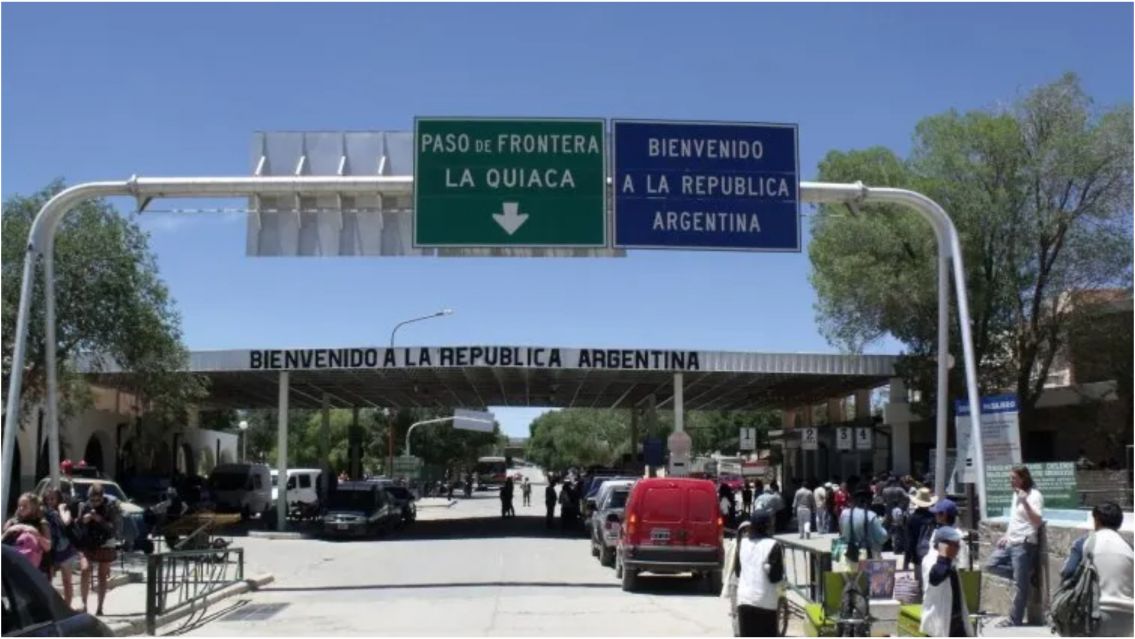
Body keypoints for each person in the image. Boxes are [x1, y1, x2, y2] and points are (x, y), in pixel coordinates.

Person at [1060, 501, 1133, 637]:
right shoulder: (1129, 547)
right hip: (1128, 617)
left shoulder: (1084, 542)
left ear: (1097, 520)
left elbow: (1068, 572)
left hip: (1095, 613)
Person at [984, 465, 1043, 626]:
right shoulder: (1015, 495)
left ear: (1023, 478)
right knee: (990, 565)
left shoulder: (1034, 495)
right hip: (1011, 541)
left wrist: (1025, 502)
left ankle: (1014, 619)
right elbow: (1014, 519)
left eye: (1014, 478)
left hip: (1024, 543)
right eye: (1010, 478)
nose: (1011, 481)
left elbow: (1037, 521)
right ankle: (1025, 575)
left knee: (1020, 585)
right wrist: (1006, 535)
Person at [734, 509, 785, 636]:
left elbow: (738, 571)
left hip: (744, 600)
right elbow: (775, 577)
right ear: (766, 526)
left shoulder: (742, 543)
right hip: (765, 601)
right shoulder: (774, 545)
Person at [921, 525, 973, 637]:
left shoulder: (950, 561)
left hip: (956, 621)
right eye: (955, 545)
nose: (958, 548)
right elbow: (935, 578)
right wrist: (943, 557)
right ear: (944, 545)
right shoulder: (931, 560)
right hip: (940, 621)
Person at [77, 482, 119, 616]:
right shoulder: (85, 506)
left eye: (98, 500)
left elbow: (113, 529)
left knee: (102, 575)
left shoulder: (110, 507)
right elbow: (78, 524)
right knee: (85, 570)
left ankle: (100, 607)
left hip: (105, 542)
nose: (95, 502)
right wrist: (84, 519)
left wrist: (99, 519)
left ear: (102, 497)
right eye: (92, 500)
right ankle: (84, 605)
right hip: (88, 542)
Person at [43, 489, 79, 607]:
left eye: (52, 499)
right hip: (50, 550)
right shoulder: (43, 512)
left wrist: (60, 510)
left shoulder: (63, 508)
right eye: (47, 499)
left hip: (66, 548)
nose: (49, 502)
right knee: (48, 581)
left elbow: (66, 521)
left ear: (58, 499)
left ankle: (68, 607)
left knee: (66, 581)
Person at [2, 492, 52, 570]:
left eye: (25, 506)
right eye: (19, 506)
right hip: (13, 566)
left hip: (36, 568)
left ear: (33, 508)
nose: (21, 508)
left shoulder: (41, 523)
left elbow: (48, 547)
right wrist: (8, 531)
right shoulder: (11, 522)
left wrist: (36, 533)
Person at [838, 489, 888, 563]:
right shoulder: (871, 516)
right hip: (867, 557)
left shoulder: (844, 514)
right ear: (866, 502)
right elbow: (882, 537)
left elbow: (841, 532)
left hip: (847, 555)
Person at [903, 488, 939, 589]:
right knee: (930, 584)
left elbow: (909, 541)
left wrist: (906, 561)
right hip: (932, 554)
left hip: (917, 556)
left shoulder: (912, 519)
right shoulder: (934, 518)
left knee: (919, 583)